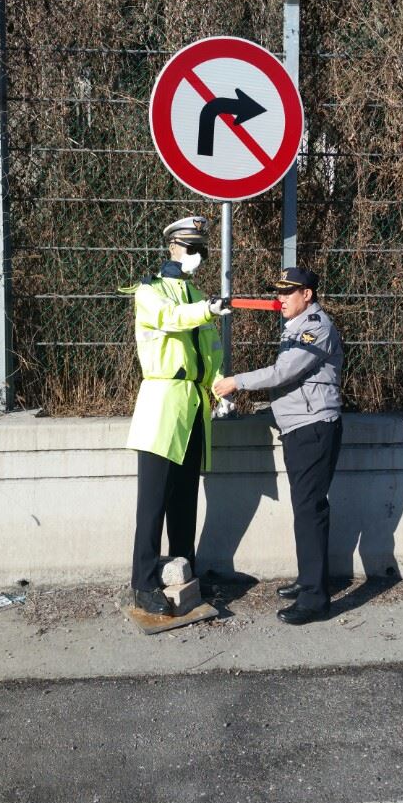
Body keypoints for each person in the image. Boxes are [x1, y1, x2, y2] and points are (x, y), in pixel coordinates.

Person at [214, 267, 343, 625]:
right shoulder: (296, 325)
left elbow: (283, 372)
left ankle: (316, 600)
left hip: (313, 429)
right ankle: (309, 580)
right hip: (301, 427)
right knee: (306, 509)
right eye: (279, 292)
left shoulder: (315, 327)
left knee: (309, 510)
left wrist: (236, 382)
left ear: (308, 295)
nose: (281, 298)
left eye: (289, 292)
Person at [123, 215, 230, 616]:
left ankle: (184, 571)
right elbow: (170, 318)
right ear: (173, 248)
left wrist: (220, 385)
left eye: (203, 248)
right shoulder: (150, 291)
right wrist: (206, 309)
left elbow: (212, 351)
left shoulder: (198, 294)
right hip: (163, 404)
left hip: (195, 406)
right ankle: (143, 582)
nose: (199, 255)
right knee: (152, 505)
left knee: (186, 500)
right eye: (193, 248)